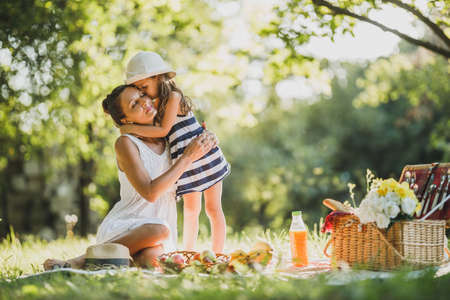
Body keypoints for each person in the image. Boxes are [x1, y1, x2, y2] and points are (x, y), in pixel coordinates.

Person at [43, 85, 217, 270]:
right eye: (135, 104)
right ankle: (80, 260)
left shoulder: (169, 137)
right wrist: (188, 156)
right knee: (159, 230)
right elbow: (150, 193)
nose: (145, 102)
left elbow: (196, 165)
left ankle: (114, 260)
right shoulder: (126, 144)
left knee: (155, 263)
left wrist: (207, 140)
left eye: (142, 95)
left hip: (161, 237)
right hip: (129, 227)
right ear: (126, 120)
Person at [121, 51, 230, 253]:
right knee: (190, 211)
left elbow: (163, 130)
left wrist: (130, 128)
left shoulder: (173, 96)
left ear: (157, 77)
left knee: (213, 209)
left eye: (144, 87)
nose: (143, 93)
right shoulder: (154, 105)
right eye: (139, 90)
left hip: (204, 155)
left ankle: (219, 253)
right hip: (185, 162)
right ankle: (188, 253)